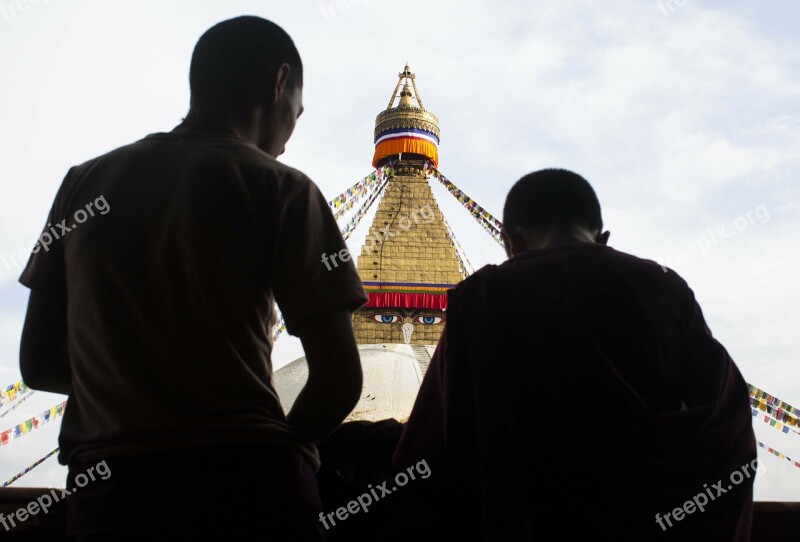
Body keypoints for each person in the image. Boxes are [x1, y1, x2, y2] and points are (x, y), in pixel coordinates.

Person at [19, 16, 366, 541]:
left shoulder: (83, 182)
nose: (290, 138)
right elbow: (340, 382)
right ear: (278, 83)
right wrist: (273, 452)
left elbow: (39, 363)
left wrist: (138, 383)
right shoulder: (283, 189)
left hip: (111, 494)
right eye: (296, 112)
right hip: (246, 492)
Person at [393, 169, 756, 540]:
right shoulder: (663, 286)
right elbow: (727, 421)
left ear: (510, 242)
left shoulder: (487, 297)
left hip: (530, 519)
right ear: (603, 238)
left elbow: (429, 446)